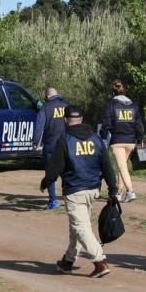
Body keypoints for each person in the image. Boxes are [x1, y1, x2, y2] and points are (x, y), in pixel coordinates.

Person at [40, 105, 118, 278]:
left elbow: (54, 169)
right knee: (76, 226)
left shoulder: (64, 139)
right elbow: (107, 166)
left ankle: (100, 262)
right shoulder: (96, 139)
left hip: (75, 191)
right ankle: (67, 262)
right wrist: (113, 189)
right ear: (81, 119)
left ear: (66, 120)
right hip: (92, 191)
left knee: (81, 227)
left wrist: (46, 182)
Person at [100, 80, 145, 203]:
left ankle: (130, 191)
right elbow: (138, 125)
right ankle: (119, 193)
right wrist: (140, 139)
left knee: (122, 167)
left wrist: (103, 135)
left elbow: (106, 124)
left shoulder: (111, 105)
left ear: (113, 92)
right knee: (122, 167)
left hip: (117, 141)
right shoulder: (133, 106)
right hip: (131, 141)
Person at [34, 87, 70, 210]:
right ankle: (68, 198)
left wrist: (36, 142)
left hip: (50, 143)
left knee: (50, 172)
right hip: (66, 143)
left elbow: (39, 127)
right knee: (66, 171)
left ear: (48, 96)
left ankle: (53, 201)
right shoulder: (66, 105)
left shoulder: (45, 108)